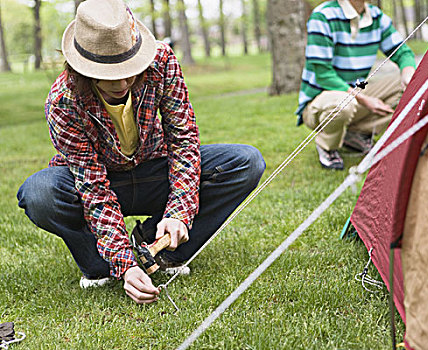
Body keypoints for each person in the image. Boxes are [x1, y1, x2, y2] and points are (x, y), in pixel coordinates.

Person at [16, 0, 265, 304]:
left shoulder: (163, 62)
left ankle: (161, 247)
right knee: (40, 192)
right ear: (83, 69)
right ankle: (100, 264)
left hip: (153, 170)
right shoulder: (63, 100)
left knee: (245, 162)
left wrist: (179, 212)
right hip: (99, 182)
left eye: (129, 70)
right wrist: (125, 265)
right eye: (110, 74)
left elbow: (183, 141)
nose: (123, 82)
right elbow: (92, 186)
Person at [296, 0, 416, 170]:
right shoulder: (322, 16)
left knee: (415, 85)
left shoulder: (377, 17)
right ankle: (327, 146)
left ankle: (355, 135)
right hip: (320, 104)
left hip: (354, 97)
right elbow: (323, 75)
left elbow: (403, 52)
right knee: (344, 103)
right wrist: (365, 100)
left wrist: (408, 74)